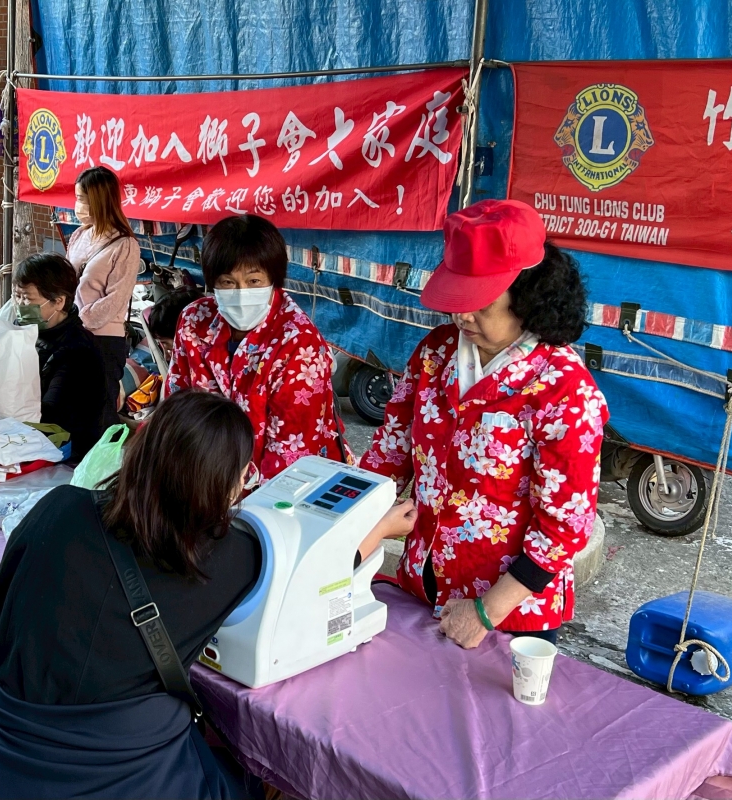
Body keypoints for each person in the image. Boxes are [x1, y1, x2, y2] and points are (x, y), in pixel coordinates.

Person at [0, 390, 414, 799]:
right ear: (228, 482)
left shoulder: (59, 508)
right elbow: (309, 583)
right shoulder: (228, 557)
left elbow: (6, 601)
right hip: (129, 782)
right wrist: (380, 531)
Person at [360, 199, 609, 648]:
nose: (462, 316)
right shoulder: (437, 352)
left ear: (528, 295)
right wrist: (352, 530)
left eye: (479, 302)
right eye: (456, 299)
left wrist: (485, 611)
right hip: (422, 581)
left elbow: (564, 527)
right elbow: (390, 449)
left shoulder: (564, 389)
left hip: (508, 610)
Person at [165, 214, 349, 481]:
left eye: (253, 281)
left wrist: (239, 497)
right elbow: (176, 402)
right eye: (227, 282)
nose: (241, 293)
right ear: (212, 282)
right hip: (206, 474)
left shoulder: (299, 342)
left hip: (284, 478)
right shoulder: (194, 321)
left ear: (274, 279)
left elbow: (290, 454)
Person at [0, 253, 111, 461]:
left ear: (59, 301)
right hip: (21, 440)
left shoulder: (78, 351)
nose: (20, 305)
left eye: (28, 298)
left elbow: (46, 414)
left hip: (63, 451)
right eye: (17, 296)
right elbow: (3, 379)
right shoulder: (23, 332)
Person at [67, 166, 141, 435]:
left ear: (99, 200)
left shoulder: (125, 245)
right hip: (73, 333)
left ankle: (102, 460)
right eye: (77, 197)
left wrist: (79, 319)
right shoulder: (79, 235)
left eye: (82, 199)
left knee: (99, 412)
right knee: (71, 406)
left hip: (103, 339)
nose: (77, 205)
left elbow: (116, 299)